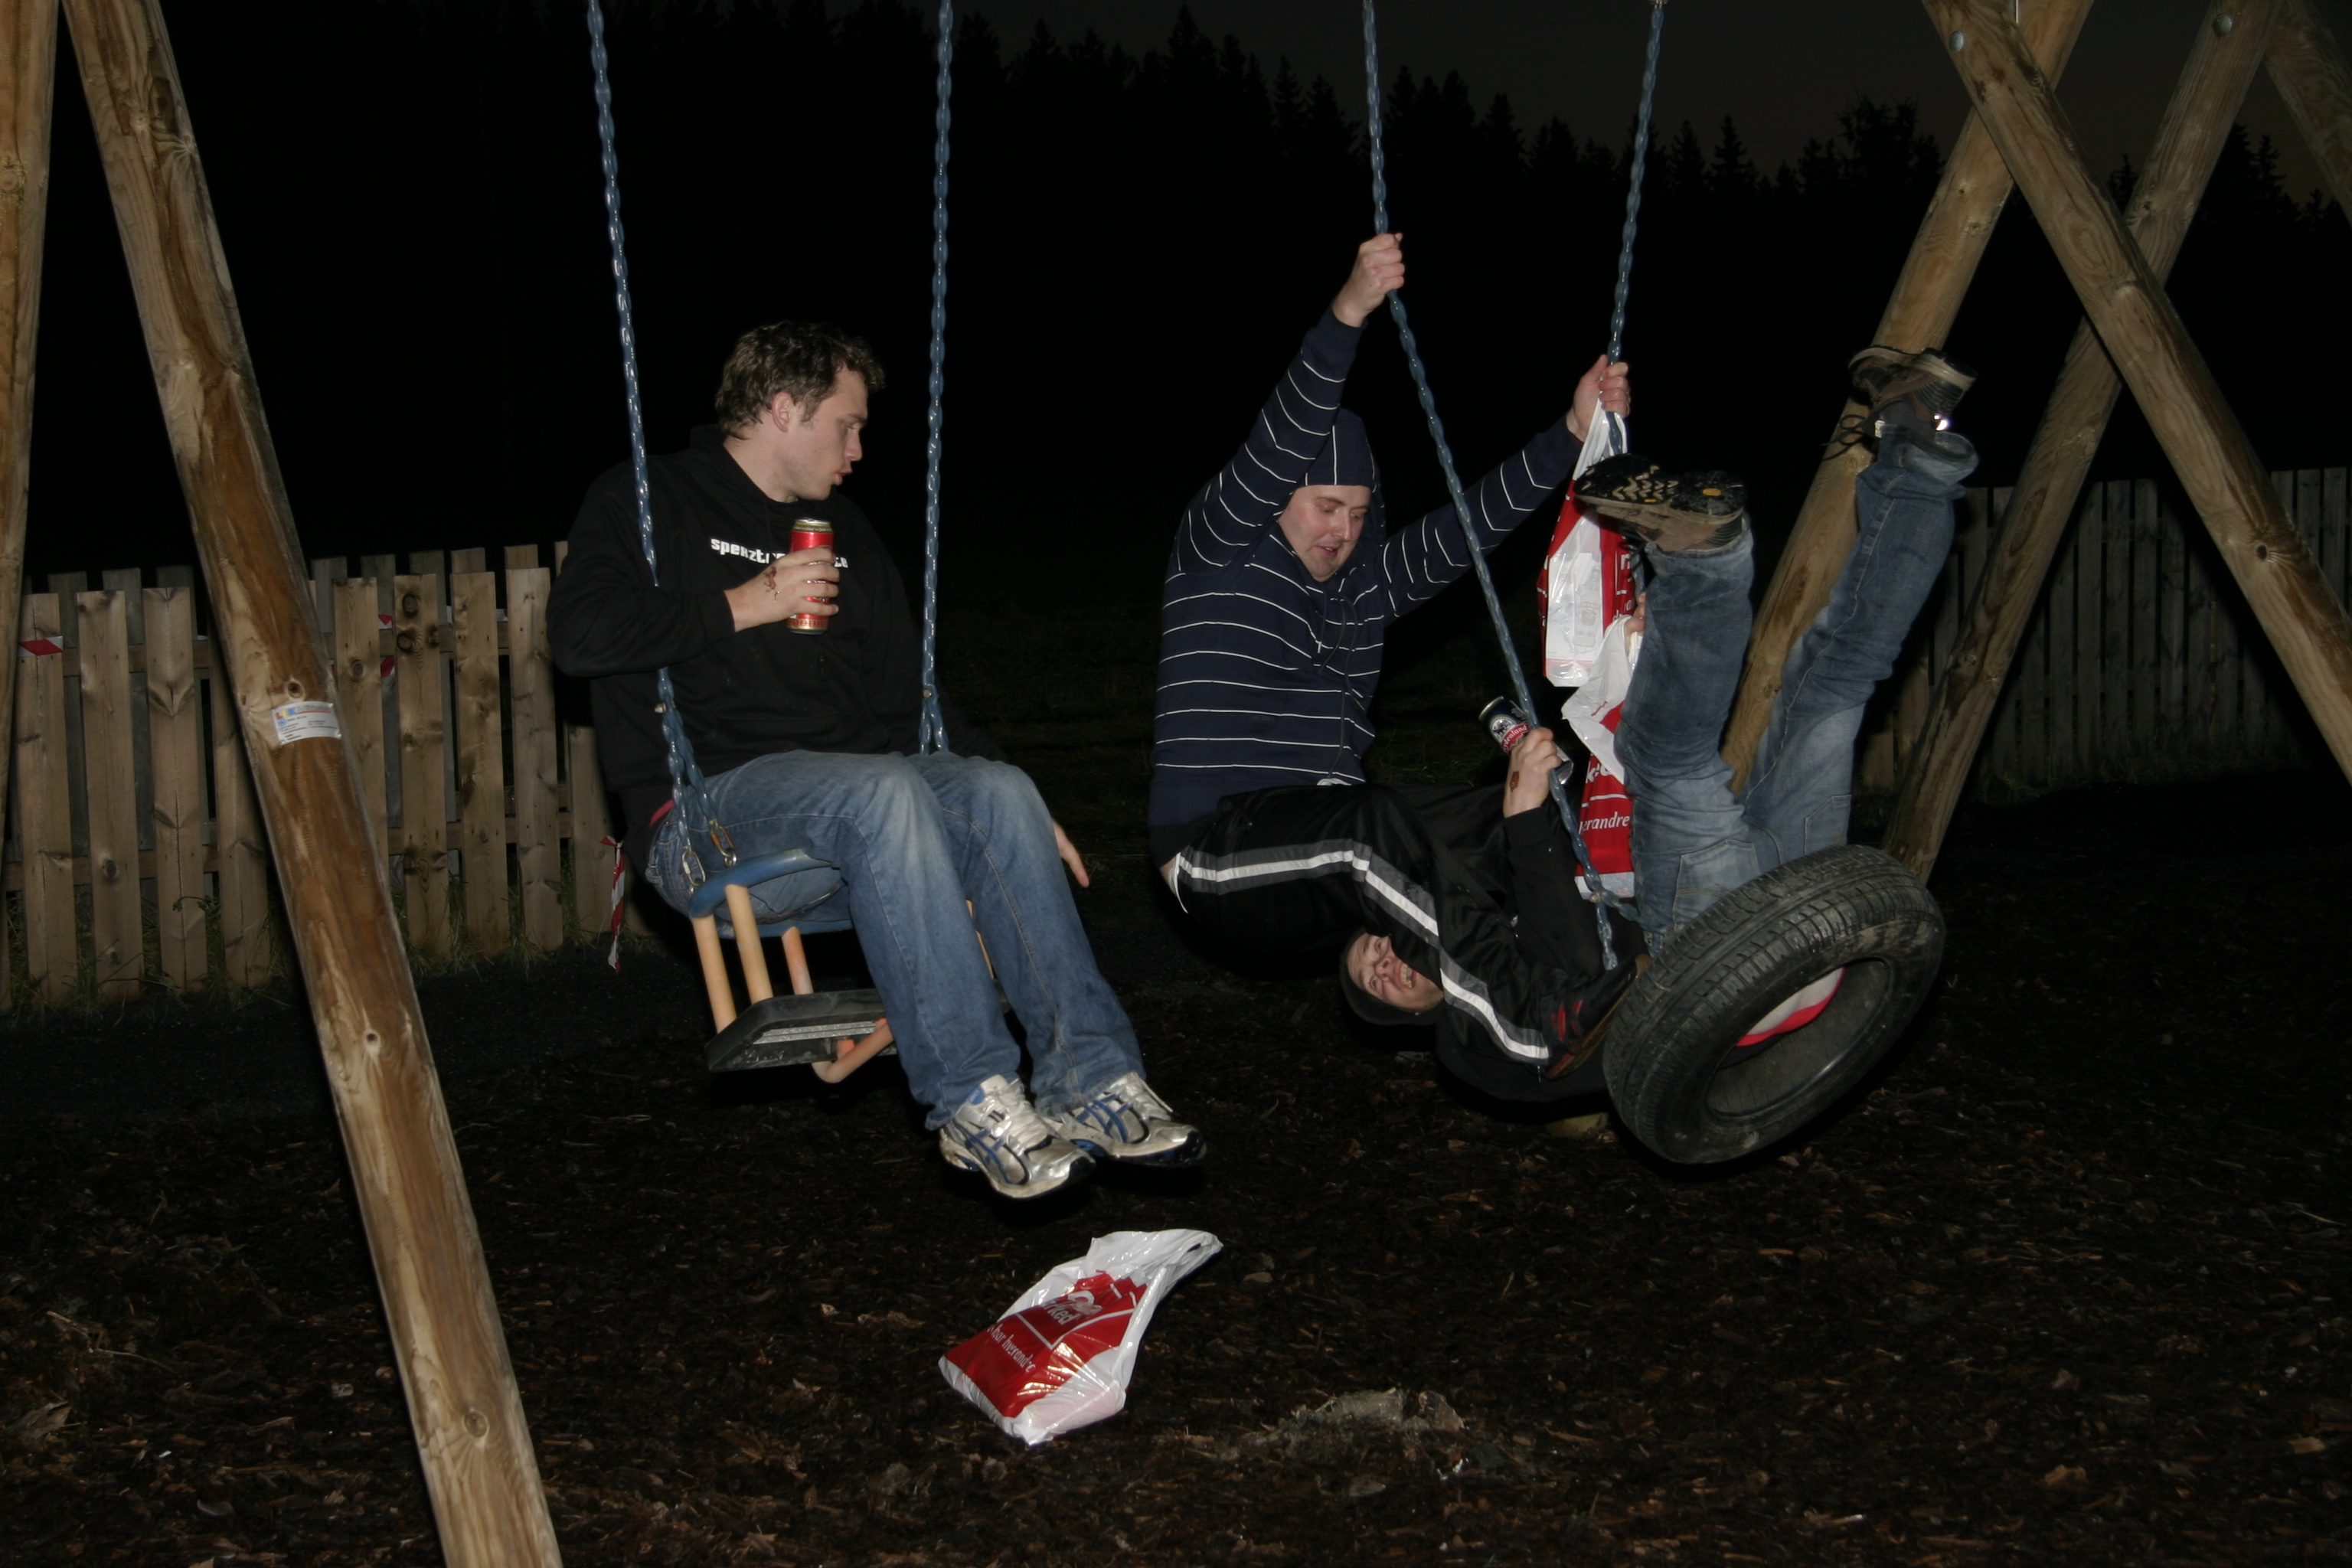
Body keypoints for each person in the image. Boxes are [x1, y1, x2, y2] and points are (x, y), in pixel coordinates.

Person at [550, 320, 1200, 1200]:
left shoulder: (843, 529)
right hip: (709, 825)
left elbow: (910, 702)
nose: (858, 449)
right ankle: (972, 1097)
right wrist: (744, 603)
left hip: (863, 824)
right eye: (847, 425)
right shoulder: (649, 498)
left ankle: (1091, 1080)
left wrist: (1016, 809)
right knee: (882, 788)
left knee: (998, 790)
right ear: (785, 408)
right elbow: (576, 636)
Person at [1327, 345, 1981, 1096]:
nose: (1385, 964)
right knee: (1668, 761)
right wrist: (1526, 820)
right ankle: (1705, 566)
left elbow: (1553, 878)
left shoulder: (1482, 922)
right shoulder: (1476, 1044)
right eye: (1380, 985)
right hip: (1718, 968)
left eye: (1372, 949)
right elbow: (1579, 962)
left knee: (1832, 683)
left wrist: (1623, 674)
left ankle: (1917, 447)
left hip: (1799, 929)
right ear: (1418, 1018)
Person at [1150, 234, 1635, 1093]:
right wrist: (1348, 312)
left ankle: (1604, 967)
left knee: (1502, 817)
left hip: (1325, 845)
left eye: (1356, 511)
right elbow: (1280, 438)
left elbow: (1468, 528)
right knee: (1370, 828)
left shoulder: (1362, 589)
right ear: (1277, 502)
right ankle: (1528, 1023)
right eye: (1323, 506)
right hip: (1217, 853)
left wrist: (1570, 432)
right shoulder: (1217, 550)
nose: (1340, 530)